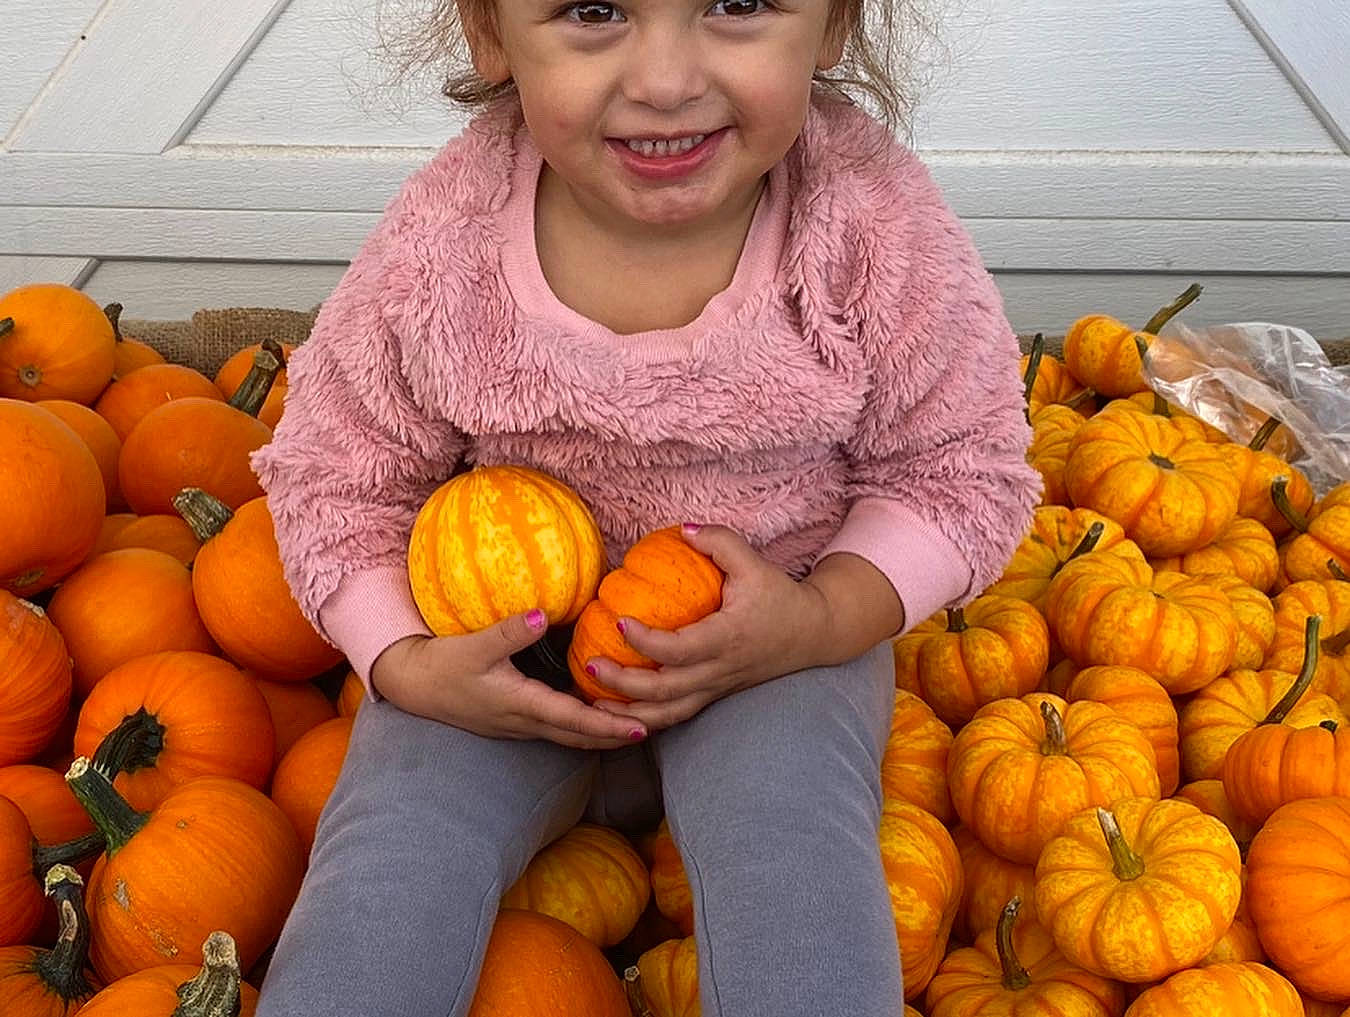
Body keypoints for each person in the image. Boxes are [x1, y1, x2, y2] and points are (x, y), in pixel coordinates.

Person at [251, 0, 1040, 1010]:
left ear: (835, 21)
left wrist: (820, 618)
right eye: (593, 10)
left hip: (774, 635)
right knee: (389, 855)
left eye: (738, 4)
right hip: (502, 651)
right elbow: (335, 473)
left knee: (793, 853)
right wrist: (404, 661)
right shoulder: (444, 245)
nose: (665, 81)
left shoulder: (869, 226)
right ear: (490, 33)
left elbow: (961, 468)